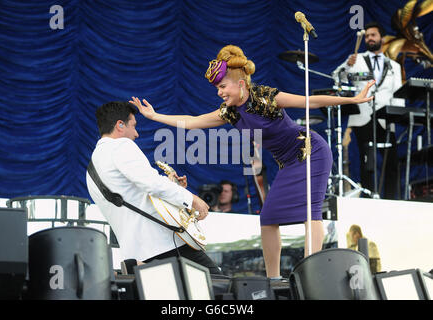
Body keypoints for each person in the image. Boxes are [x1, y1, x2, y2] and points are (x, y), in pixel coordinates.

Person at [130, 45, 376, 279]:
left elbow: (309, 101)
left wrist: (353, 101)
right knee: (268, 217)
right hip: (289, 163)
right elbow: (192, 121)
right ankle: (274, 279)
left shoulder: (264, 97)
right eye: (217, 88)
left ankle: (312, 272)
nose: (219, 92)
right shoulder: (231, 112)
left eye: (223, 86)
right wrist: (155, 116)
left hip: (311, 151)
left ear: (240, 84)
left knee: (310, 213)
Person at [86, 101, 221, 274]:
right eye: (133, 126)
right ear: (120, 125)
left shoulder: (93, 166)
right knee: (218, 286)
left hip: (136, 252)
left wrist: (172, 186)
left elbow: (131, 196)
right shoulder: (120, 146)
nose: (136, 134)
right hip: (164, 243)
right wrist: (191, 199)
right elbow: (151, 183)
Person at [333, 22, 405, 199]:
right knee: (367, 161)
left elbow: (398, 92)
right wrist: (347, 67)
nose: (369, 38)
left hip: (386, 118)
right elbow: (337, 77)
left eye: (373, 35)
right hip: (363, 116)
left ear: (381, 38)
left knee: (391, 161)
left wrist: (398, 116)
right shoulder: (356, 59)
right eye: (367, 36)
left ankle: (390, 200)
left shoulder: (394, 65)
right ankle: (368, 198)